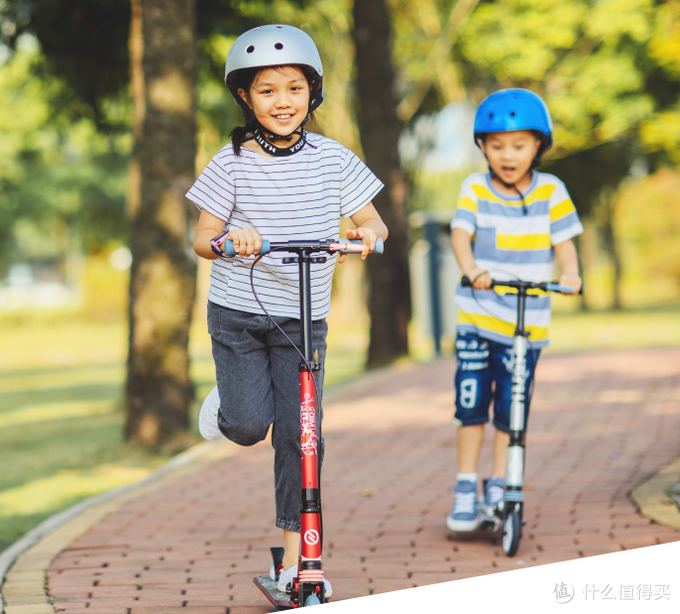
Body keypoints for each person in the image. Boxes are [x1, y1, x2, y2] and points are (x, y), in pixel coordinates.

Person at [186, 25, 388, 593]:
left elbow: (374, 221)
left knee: (302, 436)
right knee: (250, 426)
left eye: (294, 88)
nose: (283, 101)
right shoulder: (229, 162)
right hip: (240, 313)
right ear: (246, 98)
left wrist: (366, 236)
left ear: (312, 93)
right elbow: (203, 238)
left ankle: (299, 561)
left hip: (303, 317)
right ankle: (230, 397)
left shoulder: (334, 160)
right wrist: (235, 236)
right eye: (268, 90)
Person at [447, 89, 583, 531]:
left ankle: (500, 483)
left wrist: (571, 273)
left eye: (519, 145)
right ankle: (466, 486)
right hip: (478, 318)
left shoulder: (551, 191)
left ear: (539, 146)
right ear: (483, 147)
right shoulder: (474, 188)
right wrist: (472, 269)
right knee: (472, 406)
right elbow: (461, 234)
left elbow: (564, 242)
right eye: (498, 145)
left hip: (527, 327)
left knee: (512, 409)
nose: (508, 155)